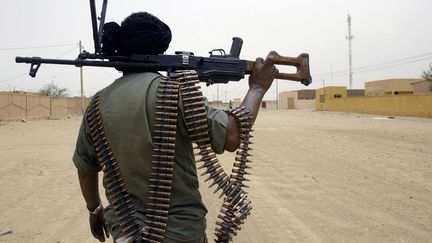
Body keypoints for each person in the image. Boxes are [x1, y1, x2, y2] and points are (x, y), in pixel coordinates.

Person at [73, 12, 278, 243]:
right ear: (159, 50)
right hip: (181, 234)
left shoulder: (97, 104)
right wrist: (257, 88)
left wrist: (94, 210)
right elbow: (231, 136)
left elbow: (86, 168)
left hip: (126, 232)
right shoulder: (174, 92)